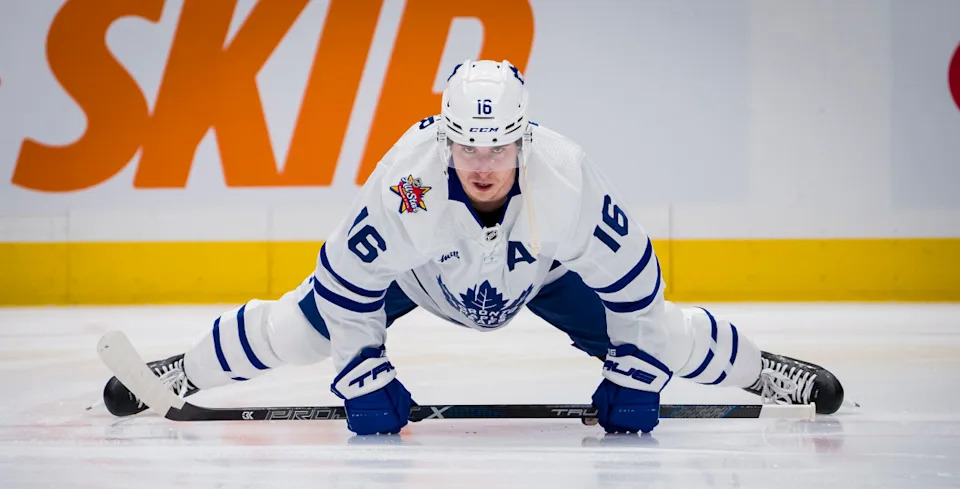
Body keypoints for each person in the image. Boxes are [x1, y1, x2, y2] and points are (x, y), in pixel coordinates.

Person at [102, 60, 844, 435]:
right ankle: (178, 372)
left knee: (670, 335)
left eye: (498, 148)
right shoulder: (404, 182)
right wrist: (363, 373)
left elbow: (636, 292)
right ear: (444, 136)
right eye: (466, 147)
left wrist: (638, 372)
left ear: (524, 137)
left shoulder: (568, 178)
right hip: (421, 276)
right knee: (300, 330)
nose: (483, 166)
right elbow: (347, 284)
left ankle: (764, 372)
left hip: (542, 276)